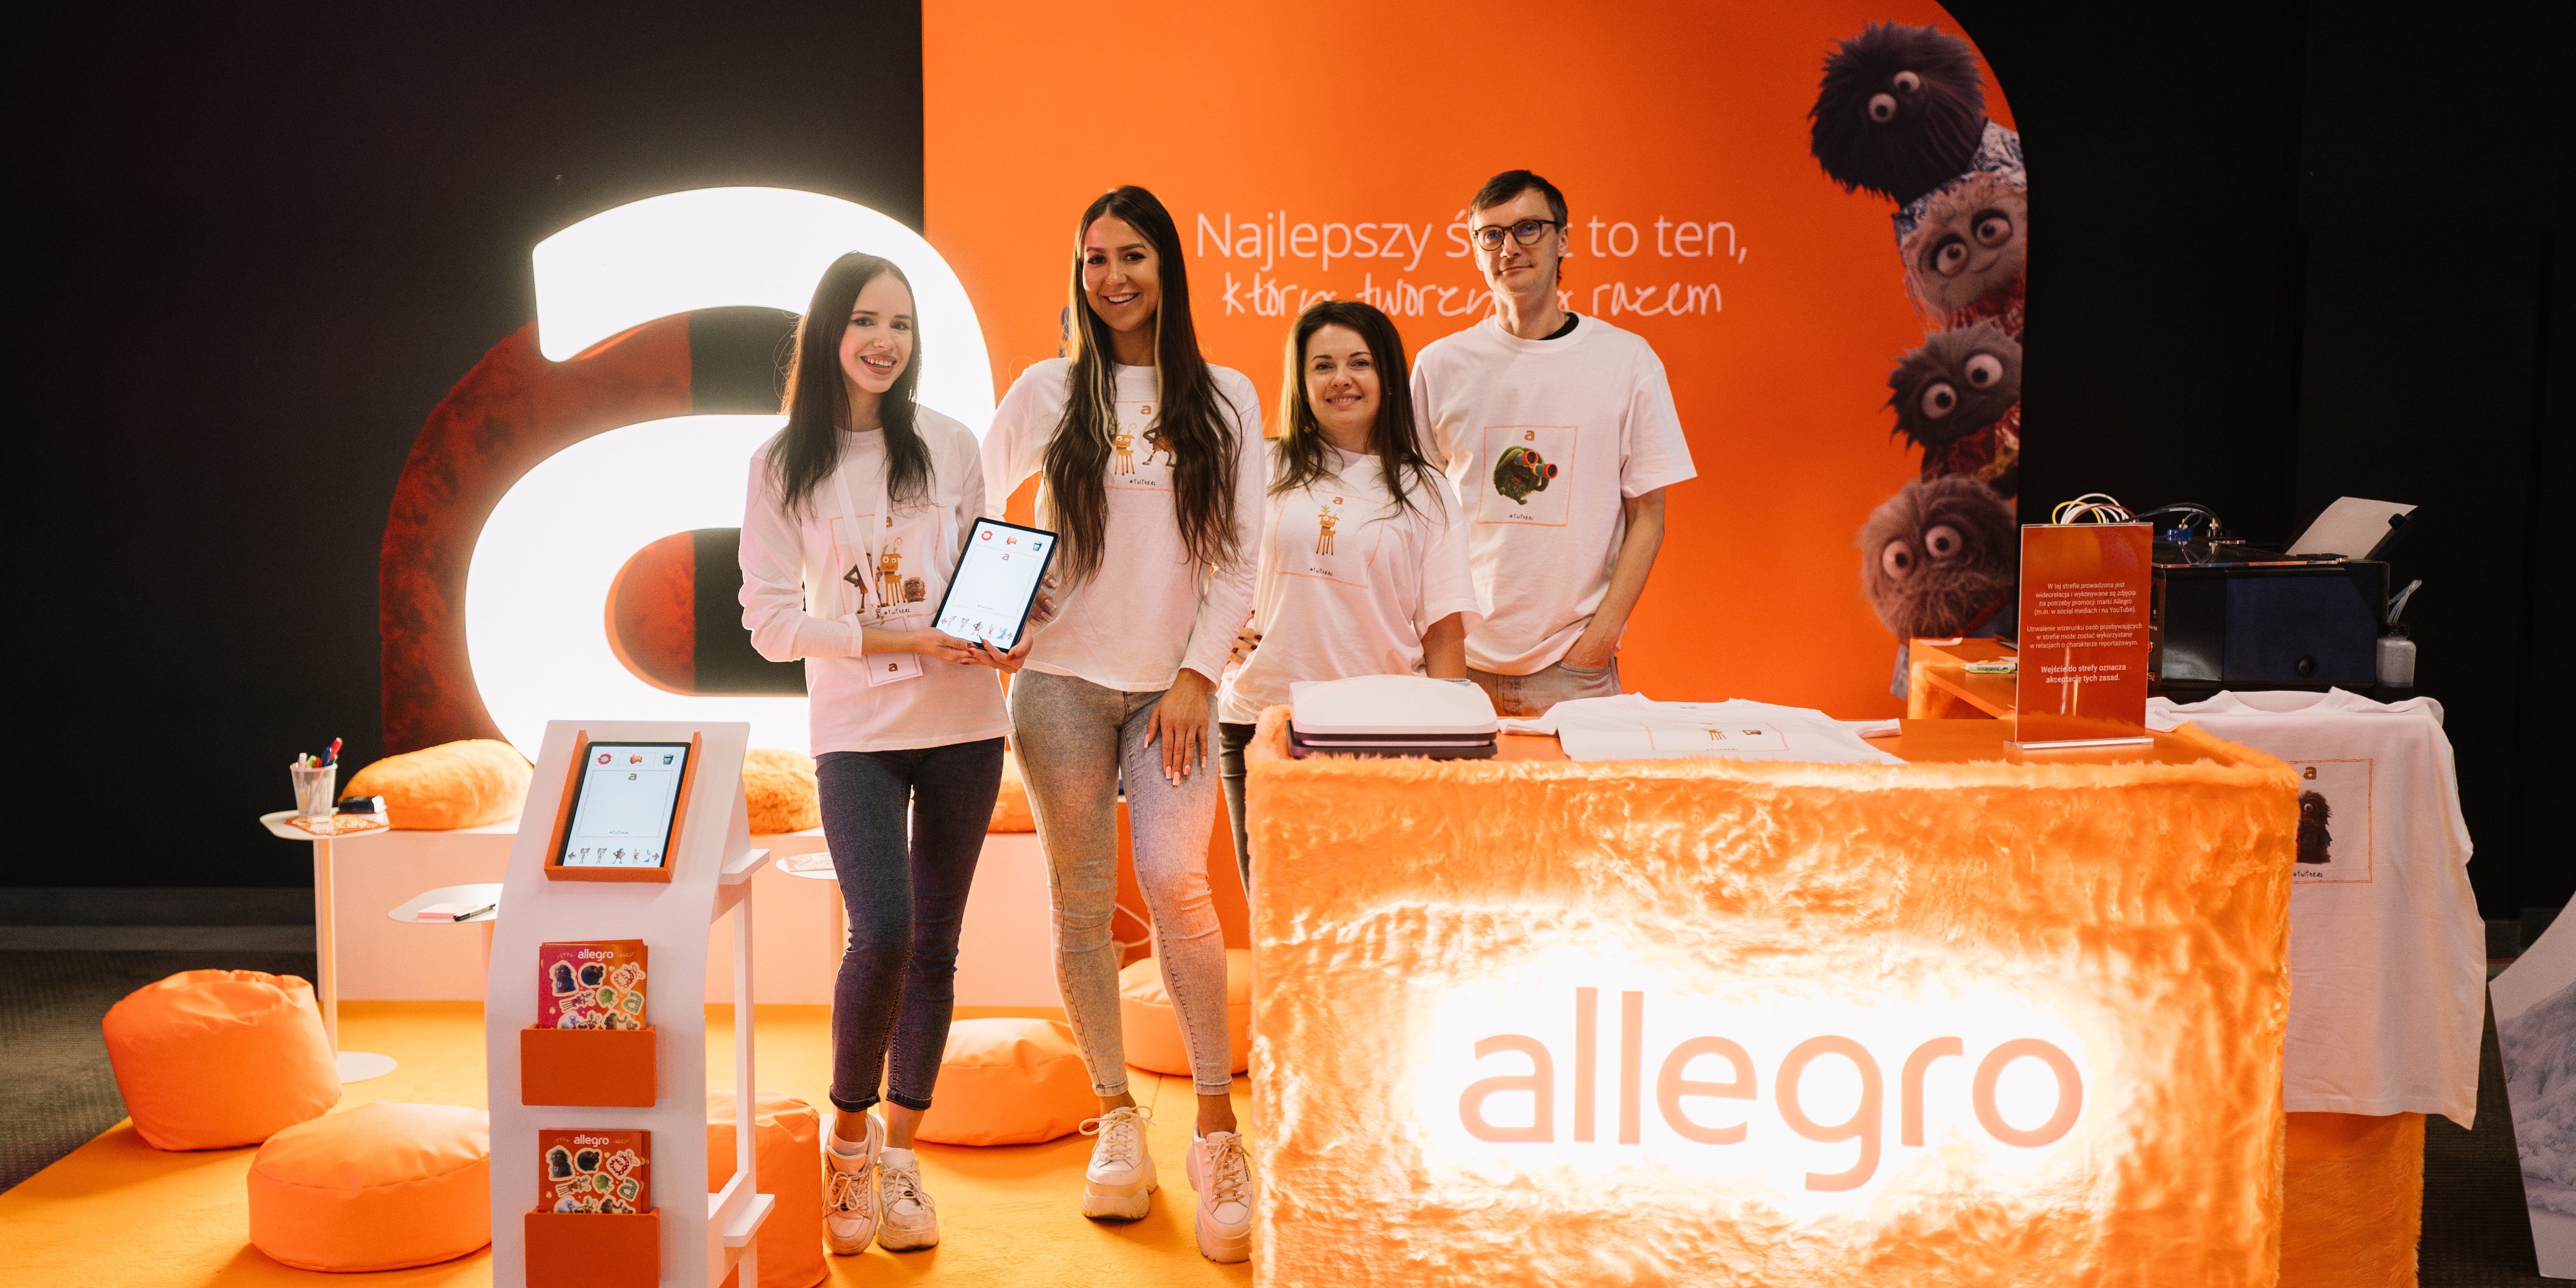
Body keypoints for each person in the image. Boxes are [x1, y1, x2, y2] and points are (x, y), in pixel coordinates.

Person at [981, 185, 1264, 1263]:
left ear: (1166, 268)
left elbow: (1239, 557)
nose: (1113, 276)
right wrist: (1000, 611)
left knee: (1178, 884)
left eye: (1133, 255)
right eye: (1095, 257)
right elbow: (971, 497)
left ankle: (1216, 1131)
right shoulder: (1048, 388)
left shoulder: (1225, 397)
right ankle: (1115, 1120)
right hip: (1057, 684)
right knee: (1080, 902)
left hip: (1170, 694)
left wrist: (1197, 675)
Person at [737, 252, 1029, 1257]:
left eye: (900, 324)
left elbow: (982, 571)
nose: (884, 341)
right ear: (829, 331)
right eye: (865, 320)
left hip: (964, 724)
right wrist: (894, 638)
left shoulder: (947, 443)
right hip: (856, 733)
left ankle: (901, 1158)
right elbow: (770, 623)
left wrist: (1002, 626)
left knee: (937, 942)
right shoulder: (781, 464)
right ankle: (849, 1138)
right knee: (886, 930)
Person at [1410, 169, 1696, 717]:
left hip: (1574, 671)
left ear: (1563, 239)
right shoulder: (1440, 365)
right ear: (1476, 250)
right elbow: (1416, 515)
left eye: (1528, 229)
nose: (1509, 248)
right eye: (1491, 235)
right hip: (1456, 665)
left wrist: (1598, 643)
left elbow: (1649, 518)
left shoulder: (1626, 360)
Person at [1216, 299, 1479, 889]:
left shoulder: (1426, 490)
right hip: (1263, 722)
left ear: (1387, 375)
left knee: (1369, 914)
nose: (1342, 379)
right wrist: (1209, 632)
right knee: (1275, 913)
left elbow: (1444, 634)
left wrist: (1449, 753)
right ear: (1301, 379)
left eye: (1359, 363)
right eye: (1323, 365)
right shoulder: (1260, 465)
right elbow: (1193, 565)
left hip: (1383, 733)